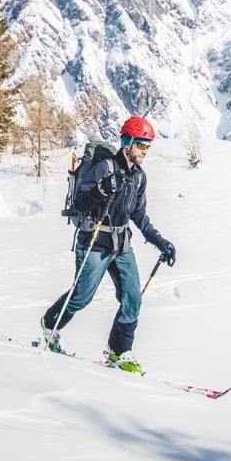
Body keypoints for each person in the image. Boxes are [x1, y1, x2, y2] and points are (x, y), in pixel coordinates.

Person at [40, 115, 176, 373]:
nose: (146, 151)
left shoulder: (139, 176)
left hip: (122, 244)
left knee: (132, 297)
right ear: (128, 143)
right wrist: (101, 190)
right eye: (142, 145)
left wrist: (161, 242)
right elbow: (79, 204)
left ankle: (119, 352)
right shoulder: (103, 167)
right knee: (82, 296)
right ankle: (49, 325)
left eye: (148, 146)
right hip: (95, 240)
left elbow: (138, 215)